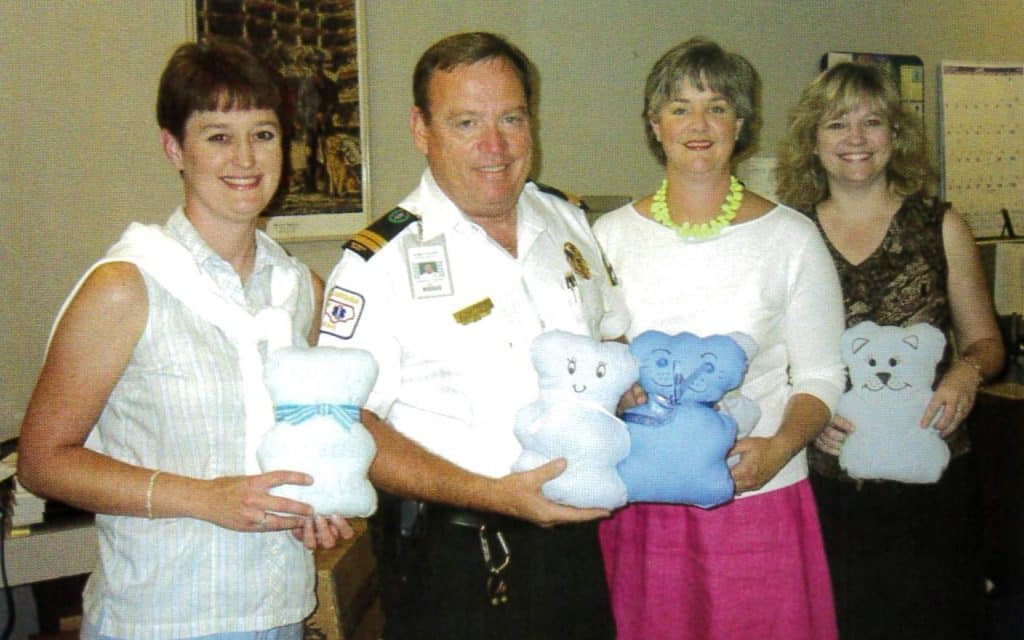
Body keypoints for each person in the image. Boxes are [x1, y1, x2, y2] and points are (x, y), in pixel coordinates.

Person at [16, 39, 349, 639]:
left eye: (264, 133)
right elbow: (42, 462)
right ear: (174, 147)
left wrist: (315, 506)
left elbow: (308, 439)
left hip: (281, 613)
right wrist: (205, 498)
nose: (245, 158)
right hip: (162, 618)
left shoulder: (302, 290)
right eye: (218, 135)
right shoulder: (127, 286)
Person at [317, 31, 628, 639]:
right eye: (465, 123)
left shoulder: (568, 222)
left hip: (577, 549)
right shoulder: (377, 264)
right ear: (421, 130)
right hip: (454, 562)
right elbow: (345, 421)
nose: (495, 146)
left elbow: (611, 341)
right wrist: (491, 493)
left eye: (511, 118)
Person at [592, 37, 846, 639]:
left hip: (756, 493)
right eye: (679, 108)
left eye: (717, 106)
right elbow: (593, 365)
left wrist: (781, 446)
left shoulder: (792, 238)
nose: (698, 124)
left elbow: (820, 377)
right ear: (655, 125)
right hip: (642, 500)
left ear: (741, 121)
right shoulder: (607, 237)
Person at [775, 61, 1005, 640]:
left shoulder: (940, 225)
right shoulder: (788, 234)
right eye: (836, 124)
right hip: (831, 483)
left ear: (895, 136)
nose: (855, 139)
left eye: (871, 122)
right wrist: (805, 417)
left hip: (935, 481)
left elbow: (987, 342)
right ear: (812, 140)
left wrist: (966, 373)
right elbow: (774, 361)